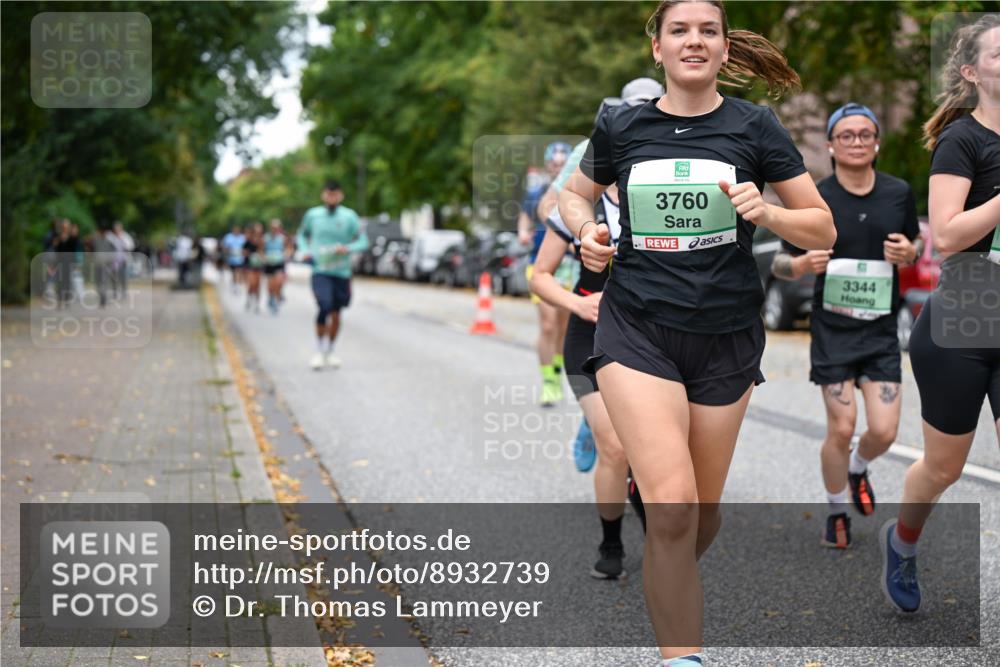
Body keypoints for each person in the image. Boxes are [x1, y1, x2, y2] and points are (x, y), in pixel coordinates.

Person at [558, 2, 835, 664]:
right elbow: (572, 194)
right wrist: (587, 230)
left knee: (700, 515)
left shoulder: (755, 125)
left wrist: (767, 211)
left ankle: (666, 570)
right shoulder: (622, 124)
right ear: (657, 48)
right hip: (637, 329)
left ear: (723, 47)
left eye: (708, 30)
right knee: (674, 507)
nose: (694, 40)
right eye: (678, 30)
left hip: (725, 336)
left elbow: (822, 225)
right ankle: (682, 653)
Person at [881, 14, 1000, 615]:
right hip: (965, 318)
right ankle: (903, 540)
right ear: (971, 72)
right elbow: (948, 235)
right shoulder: (963, 140)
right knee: (943, 468)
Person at [771, 103, 921, 549]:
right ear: (831, 145)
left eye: (865, 134)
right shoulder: (815, 198)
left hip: (880, 328)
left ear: (877, 143)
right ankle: (837, 512)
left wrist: (909, 253)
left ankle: (858, 467)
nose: (857, 142)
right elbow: (778, 265)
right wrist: (801, 265)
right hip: (833, 329)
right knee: (840, 427)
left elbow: (913, 243)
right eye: (847, 135)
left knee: (885, 431)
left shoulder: (897, 193)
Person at [519, 142, 572, 406]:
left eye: (563, 164)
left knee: (563, 328)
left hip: (569, 266)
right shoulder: (537, 192)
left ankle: (557, 374)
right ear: (548, 165)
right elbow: (525, 216)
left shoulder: (577, 192)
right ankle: (548, 383)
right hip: (540, 264)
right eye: (554, 163)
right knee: (548, 325)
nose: (558, 168)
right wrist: (522, 232)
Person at [296, 180, 369, 370]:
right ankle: (319, 350)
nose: (331, 198)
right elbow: (301, 235)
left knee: (336, 313)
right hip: (320, 270)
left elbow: (363, 241)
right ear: (323, 195)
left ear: (341, 196)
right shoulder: (313, 215)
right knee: (324, 305)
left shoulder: (349, 216)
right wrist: (305, 250)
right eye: (328, 194)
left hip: (342, 272)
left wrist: (348, 248)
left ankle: (330, 349)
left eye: (335, 194)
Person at [263, 219, 291, 314]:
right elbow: (261, 249)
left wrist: (286, 254)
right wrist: (264, 257)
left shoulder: (282, 238)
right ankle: (271, 297)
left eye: (277, 228)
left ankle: (275, 299)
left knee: (278, 282)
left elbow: (288, 248)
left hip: (279, 262)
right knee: (271, 284)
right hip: (269, 263)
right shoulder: (265, 238)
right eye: (273, 228)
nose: (275, 229)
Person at [243, 223, 265, 312]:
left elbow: (263, 252)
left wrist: (261, 256)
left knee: (258, 285)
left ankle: (257, 303)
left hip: (258, 265)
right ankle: (249, 298)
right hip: (250, 265)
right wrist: (250, 255)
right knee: (252, 283)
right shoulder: (248, 241)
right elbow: (244, 252)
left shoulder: (262, 241)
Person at [222, 225, 247, 291]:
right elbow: (225, 248)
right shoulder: (228, 237)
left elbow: (245, 247)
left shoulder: (242, 237)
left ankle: (237, 285)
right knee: (234, 272)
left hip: (240, 258)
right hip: (231, 258)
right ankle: (234, 283)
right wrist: (229, 250)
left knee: (238, 271)